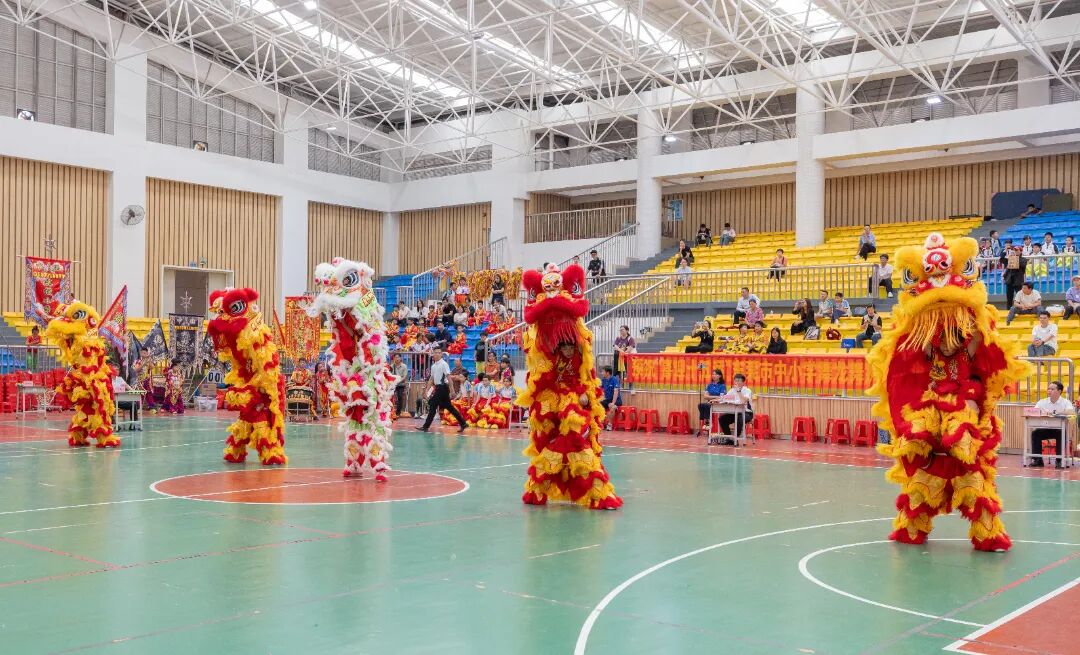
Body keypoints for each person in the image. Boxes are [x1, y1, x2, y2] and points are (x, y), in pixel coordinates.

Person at [419, 347, 466, 432]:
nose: (437, 354)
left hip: (443, 387)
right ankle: (463, 423)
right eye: (435, 352)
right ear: (433, 354)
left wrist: (452, 390)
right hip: (438, 387)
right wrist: (426, 390)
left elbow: (449, 377)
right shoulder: (433, 366)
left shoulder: (444, 364)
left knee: (433, 405)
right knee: (449, 407)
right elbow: (431, 379)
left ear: (441, 354)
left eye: (439, 353)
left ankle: (426, 426)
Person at [1029, 381, 1074, 468]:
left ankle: (1059, 460)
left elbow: (1070, 411)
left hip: (1059, 429)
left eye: (1052, 389)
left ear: (1059, 391)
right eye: (1048, 389)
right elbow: (1035, 411)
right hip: (1045, 428)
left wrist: (1056, 413)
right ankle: (1038, 460)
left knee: (1061, 434)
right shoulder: (1042, 402)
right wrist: (1043, 412)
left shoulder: (1066, 402)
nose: (1049, 391)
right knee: (1035, 433)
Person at [718, 373, 753, 438]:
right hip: (734, 412)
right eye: (735, 381)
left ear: (743, 382)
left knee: (739, 419)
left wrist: (739, 391)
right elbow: (724, 398)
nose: (737, 382)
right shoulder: (732, 390)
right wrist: (717, 400)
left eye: (739, 381)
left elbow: (743, 401)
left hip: (746, 413)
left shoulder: (747, 390)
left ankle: (736, 438)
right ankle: (729, 438)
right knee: (722, 419)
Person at [696, 369, 727, 436]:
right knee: (700, 405)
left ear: (720, 376)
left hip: (718, 404)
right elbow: (705, 396)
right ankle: (706, 421)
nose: (713, 375)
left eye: (715, 374)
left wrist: (711, 397)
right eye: (713, 374)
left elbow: (722, 397)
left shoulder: (722, 385)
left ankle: (708, 423)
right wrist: (715, 396)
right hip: (710, 402)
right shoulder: (710, 385)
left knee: (707, 405)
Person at [999, 245, 1028, 309]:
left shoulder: (1024, 259)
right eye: (1014, 250)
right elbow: (1001, 259)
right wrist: (1005, 251)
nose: (1015, 251)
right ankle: (1008, 309)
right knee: (1009, 297)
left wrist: (1015, 258)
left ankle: (1021, 309)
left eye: (1017, 250)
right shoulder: (1009, 259)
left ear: (1021, 251)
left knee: (1020, 297)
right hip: (1009, 280)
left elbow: (1022, 265)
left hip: (1018, 280)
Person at [391, 353, 409, 418]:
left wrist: (398, 381)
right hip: (393, 384)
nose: (397, 359)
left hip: (401, 384)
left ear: (400, 358)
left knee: (400, 397)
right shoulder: (392, 366)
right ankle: (390, 412)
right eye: (395, 357)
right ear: (394, 358)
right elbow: (390, 375)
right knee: (389, 397)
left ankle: (398, 413)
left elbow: (404, 376)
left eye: (398, 357)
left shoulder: (404, 366)